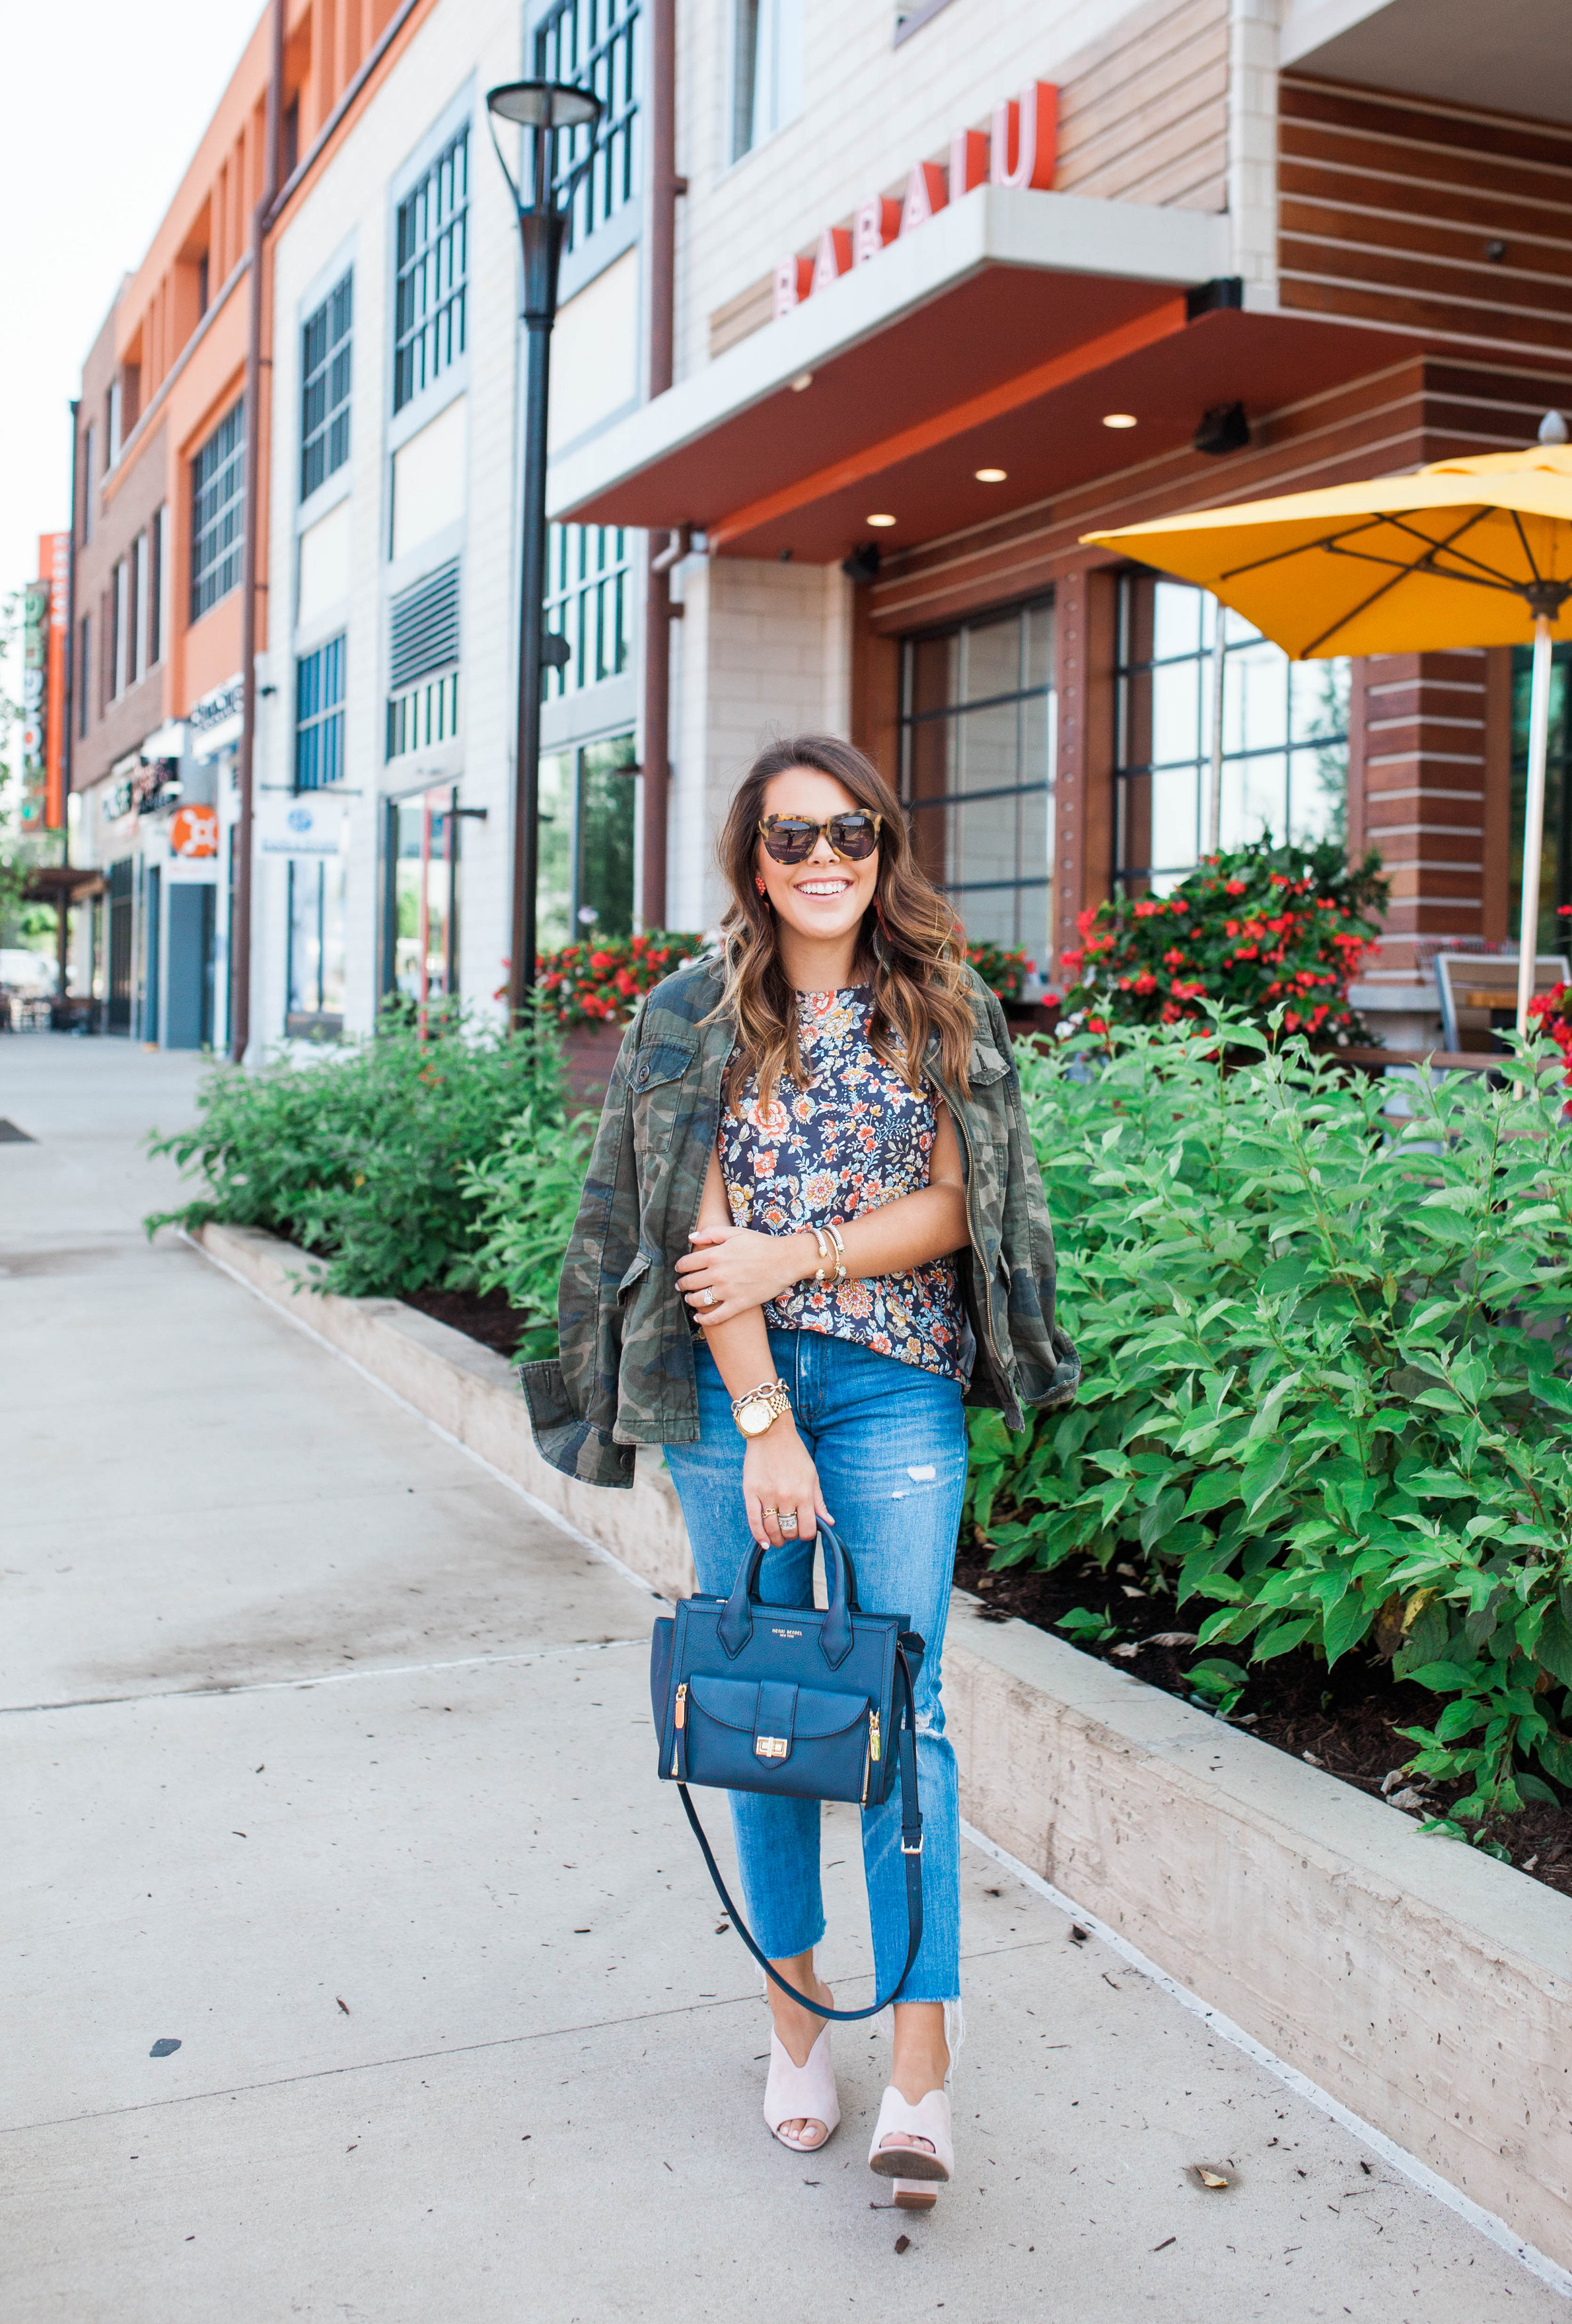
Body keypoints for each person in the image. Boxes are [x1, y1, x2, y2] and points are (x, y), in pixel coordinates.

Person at [536, 734, 1076, 2189]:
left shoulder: (942, 1006)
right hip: (735, 1397)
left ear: (884, 847)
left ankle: (917, 2061)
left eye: (850, 831)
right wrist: (766, 1420)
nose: (823, 857)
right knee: (764, 1703)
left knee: (906, 1705)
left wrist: (809, 1250)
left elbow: (965, 1207)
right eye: (791, 837)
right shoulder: (688, 1015)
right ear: (749, 857)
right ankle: (792, 2028)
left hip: (900, 1386)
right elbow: (695, 1245)